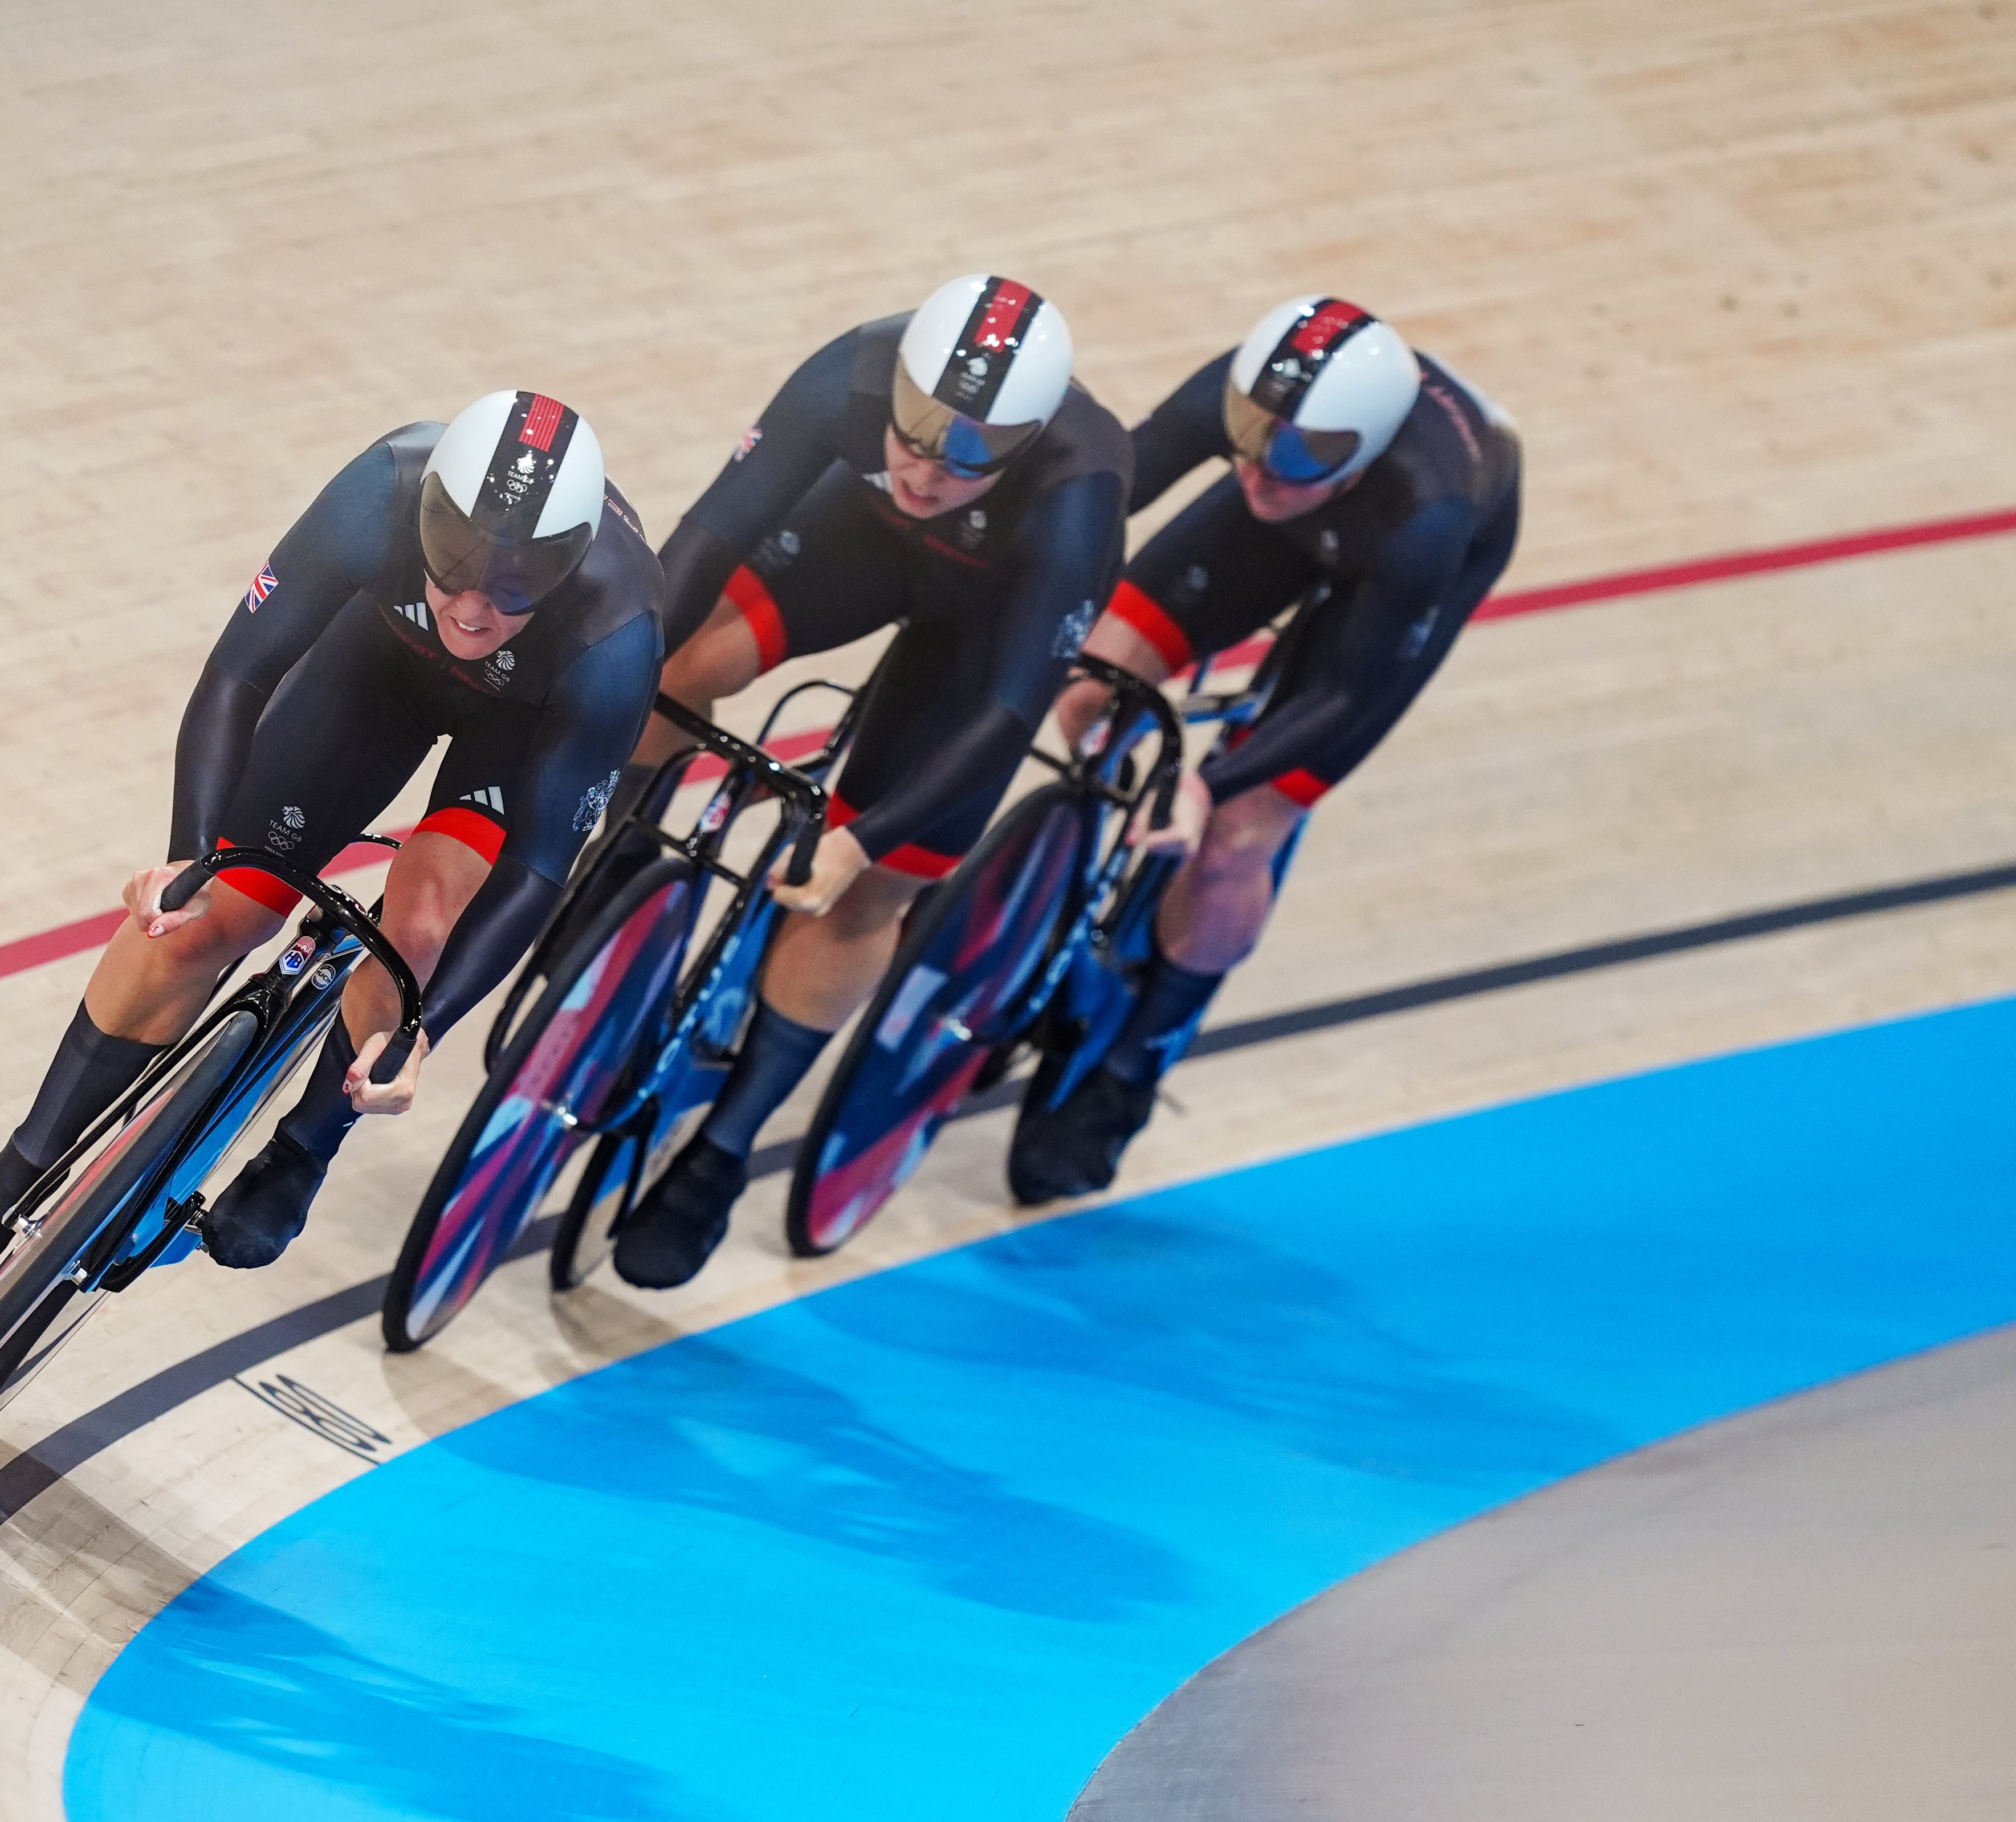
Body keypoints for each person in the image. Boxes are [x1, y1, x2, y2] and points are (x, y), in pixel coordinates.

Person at [0, 391, 664, 1301]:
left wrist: (422, 1028)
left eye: (514, 586)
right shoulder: (382, 488)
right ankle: (20, 1165)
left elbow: (540, 867)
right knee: (194, 921)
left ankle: (304, 1150)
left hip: (520, 730)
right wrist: (191, 855)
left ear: (568, 566)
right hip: (375, 673)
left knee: (417, 928)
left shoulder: (616, 633)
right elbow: (238, 673)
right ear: (427, 518)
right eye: (454, 562)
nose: (471, 606)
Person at [601, 275, 1133, 1287]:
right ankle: (625, 884)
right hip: (859, 541)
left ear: (1021, 444)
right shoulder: (852, 372)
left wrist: (857, 839)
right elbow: (705, 540)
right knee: (664, 675)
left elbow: (1005, 717)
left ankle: (723, 1149)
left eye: (971, 452)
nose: (930, 470)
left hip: (988, 625)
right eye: (918, 431)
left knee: (869, 882)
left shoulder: (1078, 490)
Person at [1008, 295, 1524, 1201]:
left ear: (1356, 453)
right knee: (1090, 685)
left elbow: (1339, 695)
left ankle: (1133, 1066)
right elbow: (1108, 490)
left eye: (1297, 456)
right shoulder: (1261, 422)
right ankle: (1068, 895)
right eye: (1252, 436)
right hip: (1323, 509)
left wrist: (1210, 784)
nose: (1262, 469)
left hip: (1412, 561)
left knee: (1239, 833)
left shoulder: (1426, 513)